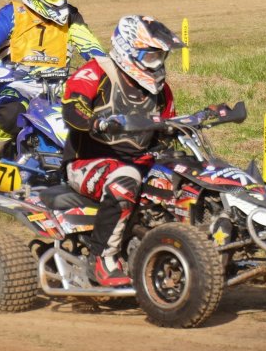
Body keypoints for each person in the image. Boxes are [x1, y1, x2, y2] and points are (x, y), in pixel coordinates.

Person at [62, 15, 182, 287]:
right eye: (152, 56)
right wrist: (95, 121)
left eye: (161, 56)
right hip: (87, 161)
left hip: (142, 161)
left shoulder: (161, 91)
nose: (158, 63)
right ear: (129, 49)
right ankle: (101, 259)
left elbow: (167, 126)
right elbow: (73, 108)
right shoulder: (97, 72)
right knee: (125, 181)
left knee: (187, 177)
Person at [0, 0, 105, 154]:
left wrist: (107, 65)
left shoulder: (71, 16)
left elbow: (90, 45)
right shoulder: (13, 13)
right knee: (12, 114)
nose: (60, 0)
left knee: (101, 111)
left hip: (61, 84)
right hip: (19, 83)